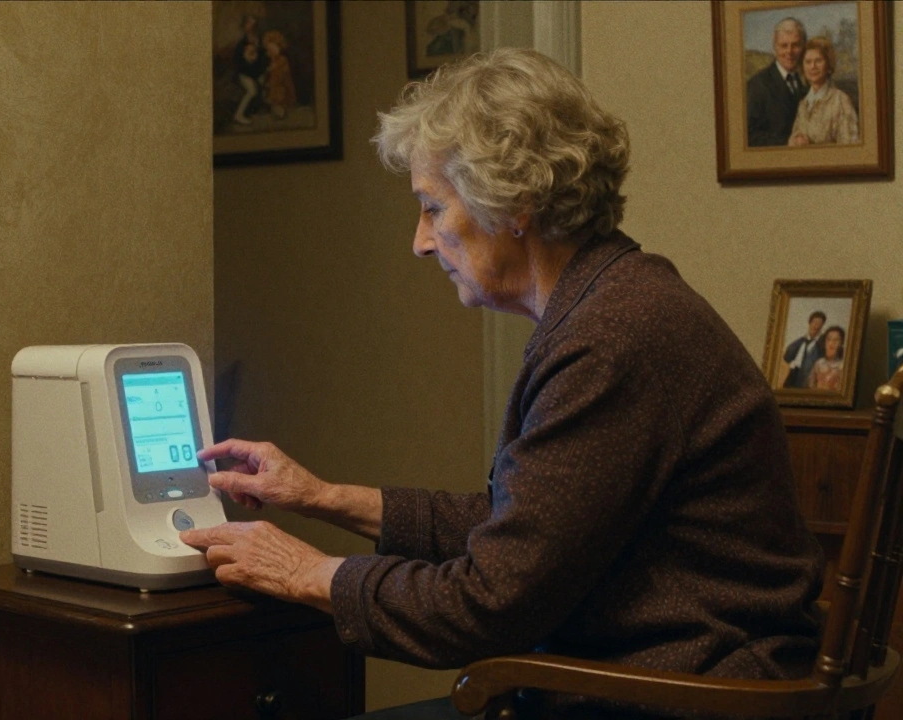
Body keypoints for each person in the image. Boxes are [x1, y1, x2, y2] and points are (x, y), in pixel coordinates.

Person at [180, 48, 822, 719]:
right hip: (669, 677)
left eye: (432, 208)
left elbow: (487, 604)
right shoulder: (615, 301)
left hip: (688, 693)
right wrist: (319, 497)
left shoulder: (610, 338)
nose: (420, 242)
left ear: (514, 203)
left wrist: (304, 571)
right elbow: (520, 533)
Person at [747, 17, 808, 147]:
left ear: (803, 47)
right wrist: (786, 142)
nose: (789, 51)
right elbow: (748, 136)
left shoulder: (807, 82)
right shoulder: (757, 85)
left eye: (795, 45)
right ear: (775, 48)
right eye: (784, 46)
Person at [788, 36, 860, 146]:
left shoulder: (840, 101)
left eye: (818, 61)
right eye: (808, 62)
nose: (813, 66)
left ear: (828, 64)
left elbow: (849, 147)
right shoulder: (803, 105)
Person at [231, 14, 268, 125]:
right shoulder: (241, 44)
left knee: (266, 83)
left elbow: (262, 59)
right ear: (244, 26)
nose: (251, 26)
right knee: (252, 90)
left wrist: (261, 73)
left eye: (253, 24)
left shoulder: (259, 42)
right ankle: (238, 115)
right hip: (244, 73)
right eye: (249, 24)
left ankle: (260, 109)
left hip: (256, 73)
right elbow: (238, 63)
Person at [782, 310, 826, 389]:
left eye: (819, 324)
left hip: (809, 379)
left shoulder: (822, 344)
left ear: (822, 326)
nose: (816, 326)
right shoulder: (801, 341)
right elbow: (787, 357)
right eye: (814, 322)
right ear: (810, 323)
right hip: (794, 375)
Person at [262, 30, 296, 120]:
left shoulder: (282, 59)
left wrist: (274, 68)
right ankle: (277, 110)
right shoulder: (271, 61)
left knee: (281, 96)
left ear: (279, 47)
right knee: (273, 98)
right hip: (273, 85)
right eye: (269, 50)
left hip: (281, 84)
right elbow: (270, 73)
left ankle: (282, 109)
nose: (271, 52)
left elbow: (284, 74)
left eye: (273, 48)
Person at [809, 325, 846, 391]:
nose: (831, 343)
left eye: (836, 340)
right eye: (829, 339)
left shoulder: (844, 365)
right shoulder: (818, 363)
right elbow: (811, 385)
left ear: (841, 343)